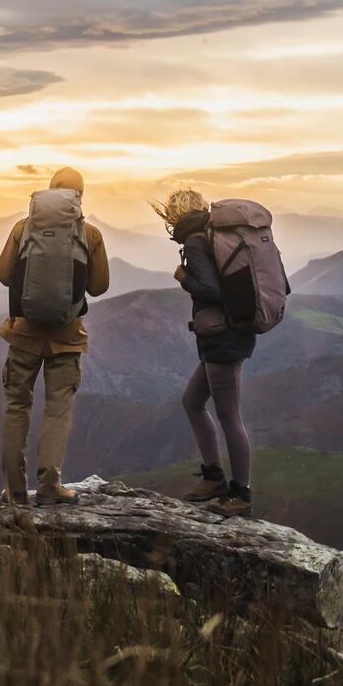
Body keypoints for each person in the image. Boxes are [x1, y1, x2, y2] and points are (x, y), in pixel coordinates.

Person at [0, 167, 110, 505]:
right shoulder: (90, 234)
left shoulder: (22, 228)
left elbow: (3, 275)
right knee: (57, 411)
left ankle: (15, 490)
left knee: (17, 406)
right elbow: (99, 287)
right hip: (67, 337)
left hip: (23, 334)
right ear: (79, 197)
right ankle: (49, 487)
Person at [153, 189, 256, 517]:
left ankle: (240, 494)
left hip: (221, 339)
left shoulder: (197, 241)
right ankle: (213, 477)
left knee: (229, 416)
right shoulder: (212, 234)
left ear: (175, 215)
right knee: (192, 401)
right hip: (231, 334)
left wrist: (184, 278)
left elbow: (210, 290)